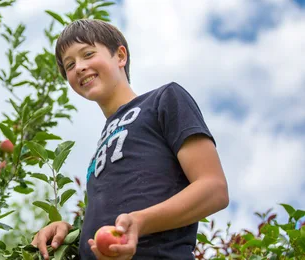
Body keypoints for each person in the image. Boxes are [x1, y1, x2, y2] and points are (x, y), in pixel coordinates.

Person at [31, 19, 229, 260]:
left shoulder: (163, 100)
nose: (79, 67)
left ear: (120, 56)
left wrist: (139, 223)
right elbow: (113, 219)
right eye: (70, 64)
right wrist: (70, 234)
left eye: (88, 54)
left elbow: (214, 189)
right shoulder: (99, 152)